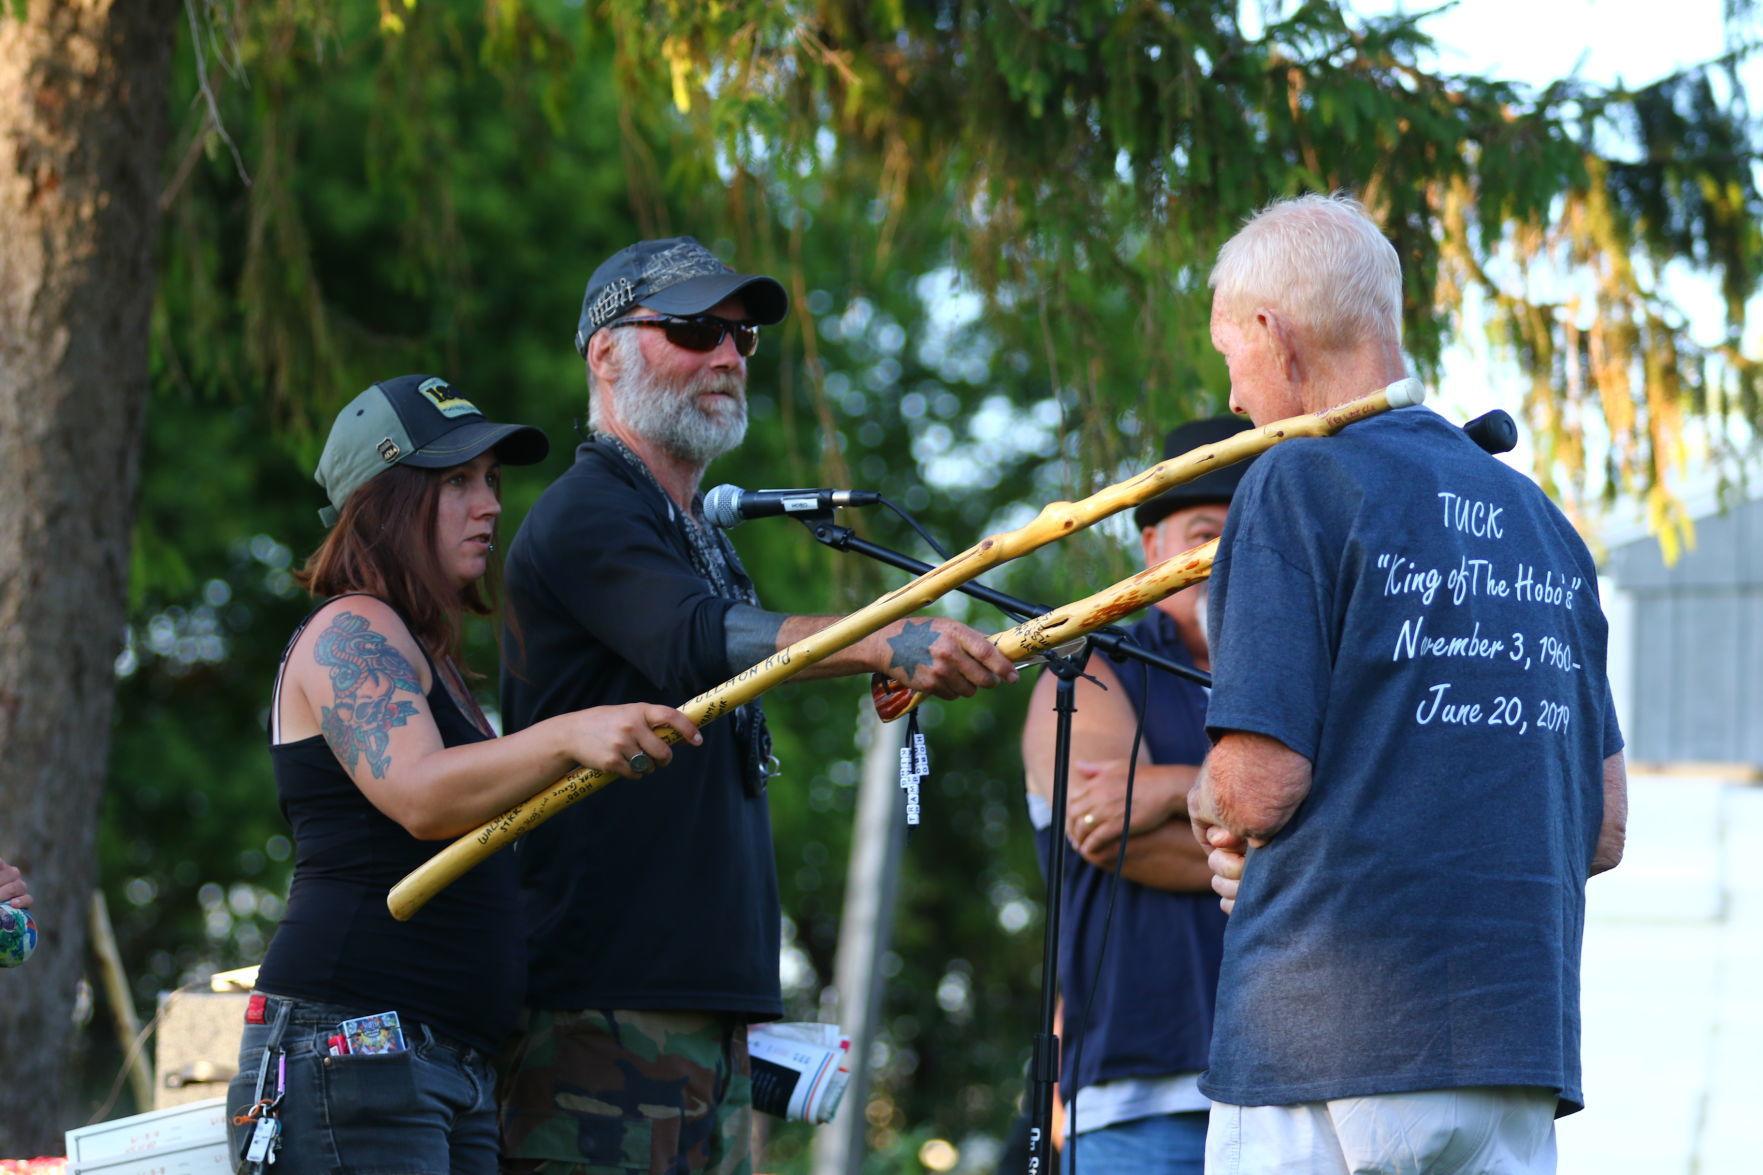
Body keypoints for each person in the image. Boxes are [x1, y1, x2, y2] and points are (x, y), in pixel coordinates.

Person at [497, 237, 1019, 1175]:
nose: (729, 355)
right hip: (603, 1012)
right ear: (604, 353)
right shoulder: (585, 511)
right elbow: (696, 639)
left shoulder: (695, 527)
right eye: (695, 329)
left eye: (740, 335)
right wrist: (881, 640)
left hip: (706, 1012)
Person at [1186, 194, 1628, 1174]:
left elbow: (1259, 784)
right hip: (1517, 1046)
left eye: (1231, 359)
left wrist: (1203, 797)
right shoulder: (1546, 525)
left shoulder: (1292, 481)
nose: (1234, 399)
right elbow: (1600, 827)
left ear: (1272, 333)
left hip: (1327, 1041)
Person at [226, 375, 701, 1175]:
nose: (488, 505)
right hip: (354, 1048)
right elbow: (419, 793)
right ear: (383, 500)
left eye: (490, 482)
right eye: (455, 483)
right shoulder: (352, 626)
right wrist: (569, 733)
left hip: (444, 1063)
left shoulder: (431, 657)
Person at [1019, 416, 1254, 1174]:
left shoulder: (1321, 676)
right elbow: (1107, 831)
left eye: (1249, 534)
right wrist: (1292, 838)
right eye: (1201, 532)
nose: (1224, 557)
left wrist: (1163, 785)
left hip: (1306, 1091)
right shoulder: (1089, 662)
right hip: (1141, 1095)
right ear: (1150, 546)